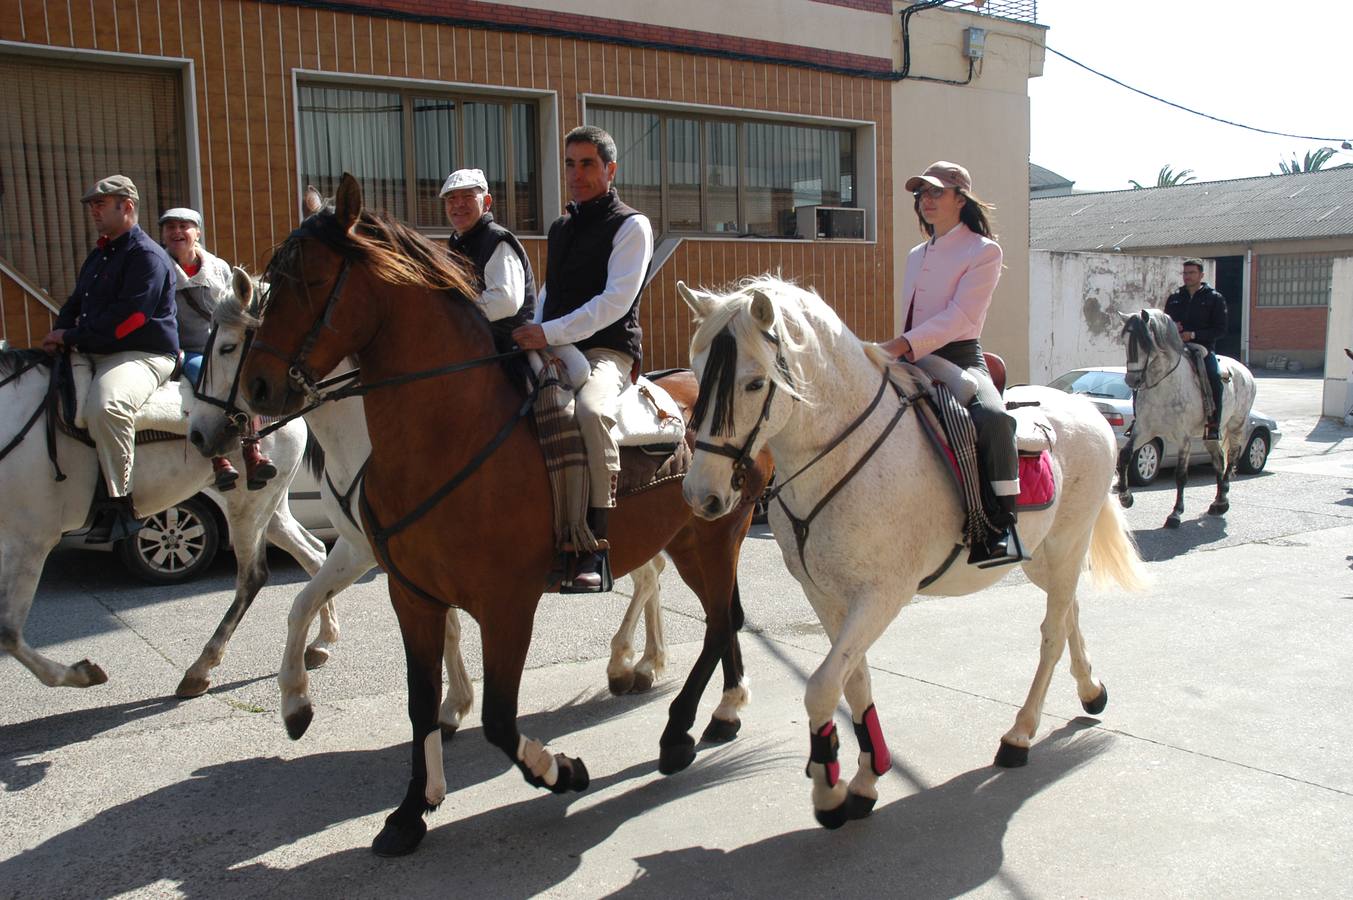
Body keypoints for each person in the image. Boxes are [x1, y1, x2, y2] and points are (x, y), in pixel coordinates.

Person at [511, 126, 654, 589]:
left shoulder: (632, 225)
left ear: (611, 170)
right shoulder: (561, 226)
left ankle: (595, 544)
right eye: (570, 164)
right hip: (554, 340)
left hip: (607, 349)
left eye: (588, 164)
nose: (577, 174)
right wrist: (533, 326)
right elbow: (551, 292)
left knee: (590, 412)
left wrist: (546, 331)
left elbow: (614, 302)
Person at [880, 160, 1020, 567]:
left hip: (959, 358)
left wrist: (901, 344)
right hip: (911, 357)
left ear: (962, 198)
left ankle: (1000, 526)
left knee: (994, 418)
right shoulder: (915, 254)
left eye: (936, 191)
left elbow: (960, 317)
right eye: (921, 193)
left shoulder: (983, 250)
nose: (926, 200)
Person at [42, 175, 179, 543]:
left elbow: (130, 319)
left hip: (142, 353)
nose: (93, 211)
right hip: (95, 348)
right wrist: (60, 332)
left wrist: (71, 337)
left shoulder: (147, 256)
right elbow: (76, 302)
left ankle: (121, 505)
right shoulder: (101, 253)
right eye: (92, 206)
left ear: (128, 207)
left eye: (100, 204)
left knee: (107, 406)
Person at [159, 207, 275, 491]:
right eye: (170, 227)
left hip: (220, 345)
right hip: (186, 350)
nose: (177, 232)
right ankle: (219, 460)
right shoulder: (158, 267)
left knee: (242, 377)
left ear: (197, 232)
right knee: (205, 377)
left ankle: (253, 451)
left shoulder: (218, 267)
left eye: (184, 226)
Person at [440, 168, 536, 323]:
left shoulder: (497, 241)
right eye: (451, 198)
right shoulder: (457, 244)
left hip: (508, 344)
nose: (458, 204)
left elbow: (506, 301)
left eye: (468, 196)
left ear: (487, 202)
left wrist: (454, 313)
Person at [1164, 259, 1227, 440]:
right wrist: (1172, 327)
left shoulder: (1214, 298)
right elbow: (1165, 322)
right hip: (1175, 346)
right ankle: (1140, 418)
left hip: (1201, 347)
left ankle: (1214, 422)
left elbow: (1220, 330)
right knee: (1148, 369)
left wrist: (1192, 335)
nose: (1187, 277)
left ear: (1201, 275)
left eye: (1191, 273)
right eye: (1185, 273)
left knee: (1213, 376)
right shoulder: (1175, 297)